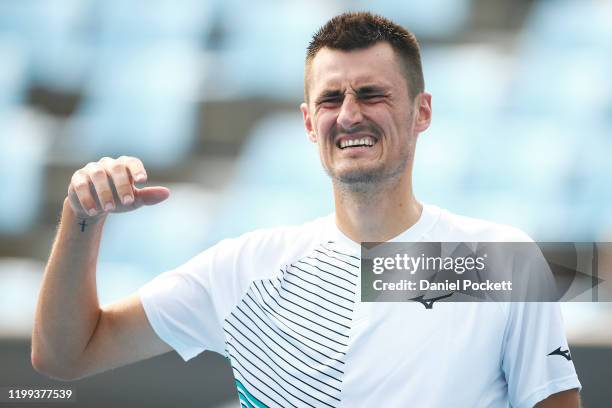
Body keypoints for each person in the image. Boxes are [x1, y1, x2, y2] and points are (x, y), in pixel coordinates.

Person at [32, 12, 581, 407]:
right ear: (306, 121)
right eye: (329, 99)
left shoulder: (498, 263)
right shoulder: (244, 267)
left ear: (422, 112)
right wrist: (81, 218)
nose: (348, 116)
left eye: (372, 94)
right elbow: (65, 356)